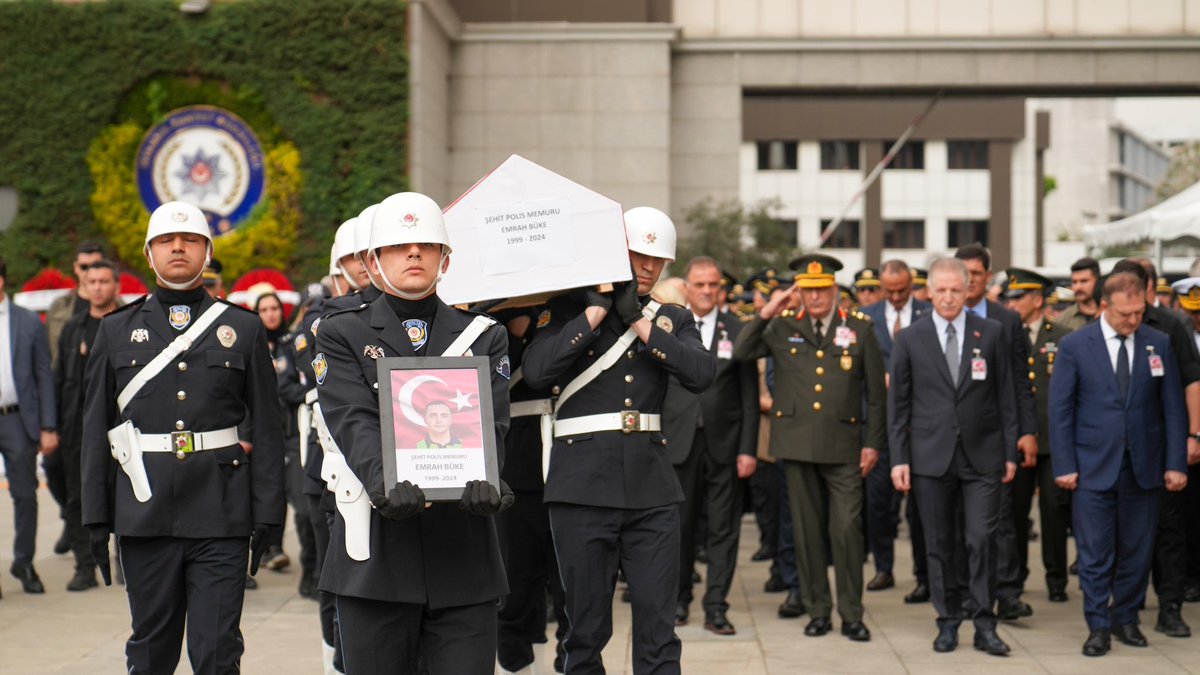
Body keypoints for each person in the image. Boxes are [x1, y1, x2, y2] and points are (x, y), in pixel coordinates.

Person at [81, 201, 285, 674]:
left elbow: (269, 431)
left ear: (207, 252)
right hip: (143, 510)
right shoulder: (115, 330)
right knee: (151, 651)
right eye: (166, 242)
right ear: (148, 255)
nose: (178, 247)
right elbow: (94, 428)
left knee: (218, 652)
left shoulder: (244, 327)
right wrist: (94, 515)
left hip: (222, 510)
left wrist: (269, 512)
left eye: (190, 240)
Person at [315, 192, 512, 674]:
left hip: (463, 554)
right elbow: (351, 418)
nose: (415, 254)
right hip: (378, 553)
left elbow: (494, 425)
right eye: (401, 246)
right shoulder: (342, 332)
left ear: (446, 258)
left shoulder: (485, 335)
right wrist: (386, 481)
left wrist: (490, 476)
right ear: (374, 260)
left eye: (426, 245)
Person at [523, 206, 715, 675]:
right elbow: (535, 372)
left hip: (652, 489)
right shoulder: (566, 310)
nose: (647, 267)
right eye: (637, 254)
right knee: (584, 629)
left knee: (658, 628)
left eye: (657, 260)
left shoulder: (671, 317)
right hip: (582, 488)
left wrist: (640, 323)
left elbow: (701, 373)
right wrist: (594, 313)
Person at [735, 253, 884, 642]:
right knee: (806, 532)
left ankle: (852, 613)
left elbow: (877, 395)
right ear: (798, 292)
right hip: (797, 444)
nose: (816, 298)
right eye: (808, 291)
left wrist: (873, 444)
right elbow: (741, 350)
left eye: (822, 290)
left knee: (847, 530)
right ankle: (818, 610)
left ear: (834, 289)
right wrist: (770, 308)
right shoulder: (783, 327)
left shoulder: (861, 329)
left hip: (844, 446)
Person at [1050, 271, 1188, 656]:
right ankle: (1097, 625)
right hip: (1092, 466)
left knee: (1138, 550)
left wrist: (1176, 462)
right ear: (1105, 307)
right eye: (1126, 314)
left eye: (1140, 312)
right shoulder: (1076, 345)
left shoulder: (1157, 342)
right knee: (1095, 553)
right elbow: (1060, 410)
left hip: (1144, 466)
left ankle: (1125, 617)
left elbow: (1173, 408)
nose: (1134, 321)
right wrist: (1064, 464)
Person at [889, 256, 1019, 656]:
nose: (947, 298)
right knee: (939, 543)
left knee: (982, 539)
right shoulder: (911, 338)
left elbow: (1007, 396)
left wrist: (1010, 451)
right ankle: (947, 621)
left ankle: (984, 622)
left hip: (983, 455)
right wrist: (899, 459)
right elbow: (899, 404)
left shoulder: (992, 332)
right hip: (930, 456)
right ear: (928, 291)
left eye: (955, 290)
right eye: (940, 290)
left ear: (968, 291)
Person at [664, 256, 758, 635]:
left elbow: (750, 396)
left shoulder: (739, 330)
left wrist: (749, 448)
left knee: (723, 529)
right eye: (699, 284)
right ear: (687, 287)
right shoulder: (667, 327)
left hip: (726, 444)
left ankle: (716, 605)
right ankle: (680, 600)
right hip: (678, 442)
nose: (706, 291)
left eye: (713, 285)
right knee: (680, 527)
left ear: (721, 289)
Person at [1112, 258, 1200, 638]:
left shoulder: (1170, 327)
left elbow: (1192, 383)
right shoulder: (1103, 328)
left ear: (1148, 289)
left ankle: (1171, 607)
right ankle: (1124, 605)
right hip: (1117, 453)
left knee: (1169, 530)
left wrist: (1193, 436)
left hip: (1164, 446)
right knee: (1121, 533)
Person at [955, 244, 1038, 622]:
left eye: (977, 273)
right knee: (959, 521)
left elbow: (1021, 380)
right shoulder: (942, 314)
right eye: (964, 273)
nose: (971, 281)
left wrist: (1026, 431)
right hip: (952, 437)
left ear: (988, 276)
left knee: (1002, 519)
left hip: (997, 434)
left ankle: (1007, 593)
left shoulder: (1007, 320)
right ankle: (964, 591)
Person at [860, 259, 931, 601]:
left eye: (902, 290)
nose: (896, 297)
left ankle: (924, 575)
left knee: (920, 507)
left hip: (920, 425)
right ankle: (883, 567)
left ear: (912, 283)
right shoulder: (867, 317)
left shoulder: (929, 314)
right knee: (878, 503)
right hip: (879, 425)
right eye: (889, 291)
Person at [1001, 268, 1073, 602]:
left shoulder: (1060, 337)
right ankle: (1014, 579)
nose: (1011, 303)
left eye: (1018, 297)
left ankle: (1056, 580)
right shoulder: (1001, 333)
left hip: (1052, 441)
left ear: (1038, 300)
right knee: (1014, 514)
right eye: (1009, 297)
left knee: (1054, 513)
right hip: (1016, 438)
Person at [53, 259, 120, 591]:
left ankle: (125, 561)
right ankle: (84, 567)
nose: (97, 287)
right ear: (84, 286)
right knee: (78, 498)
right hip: (78, 427)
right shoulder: (73, 328)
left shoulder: (129, 323)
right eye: (91, 281)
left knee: (127, 492)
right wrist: (51, 425)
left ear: (115, 286)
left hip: (123, 425)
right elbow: (58, 378)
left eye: (104, 281)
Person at [0, 256, 58, 595]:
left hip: (19, 419)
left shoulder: (27, 323)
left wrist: (48, 426)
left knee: (25, 495)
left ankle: (24, 561)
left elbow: (43, 376)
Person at [43, 242, 104, 556]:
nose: (91, 274)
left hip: (106, 412)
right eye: (84, 268)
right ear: (76, 270)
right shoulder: (61, 310)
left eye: (97, 266)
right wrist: (48, 421)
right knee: (56, 468)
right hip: (68, 404)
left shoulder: (119, 309)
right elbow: (48, 364)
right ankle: (72, 521)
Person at [1172, 276, 1200, 604]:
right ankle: (1191, 576)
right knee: (1190, 513)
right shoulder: (1177, 337)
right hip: (1191, 437)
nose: (1195, 317)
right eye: (1190, 310)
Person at [1056, 258, 1101, 331]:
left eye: (1084, 281)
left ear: (1097, 280)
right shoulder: (1063, 320)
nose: (1078, 287)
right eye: (1074, 282)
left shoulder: (1110, 315)